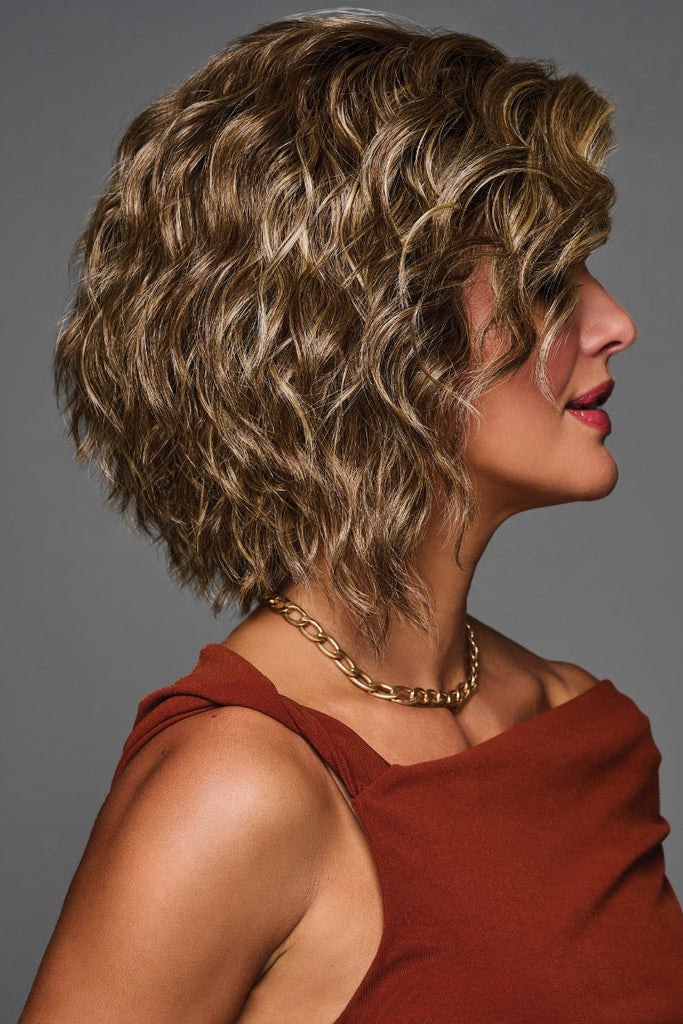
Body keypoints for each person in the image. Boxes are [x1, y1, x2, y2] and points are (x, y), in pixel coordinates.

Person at [19, 10, 683, 1023]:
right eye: (548, 281)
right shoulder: (238, 789)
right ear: (375, 336)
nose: (614, 323)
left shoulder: (577, 725)